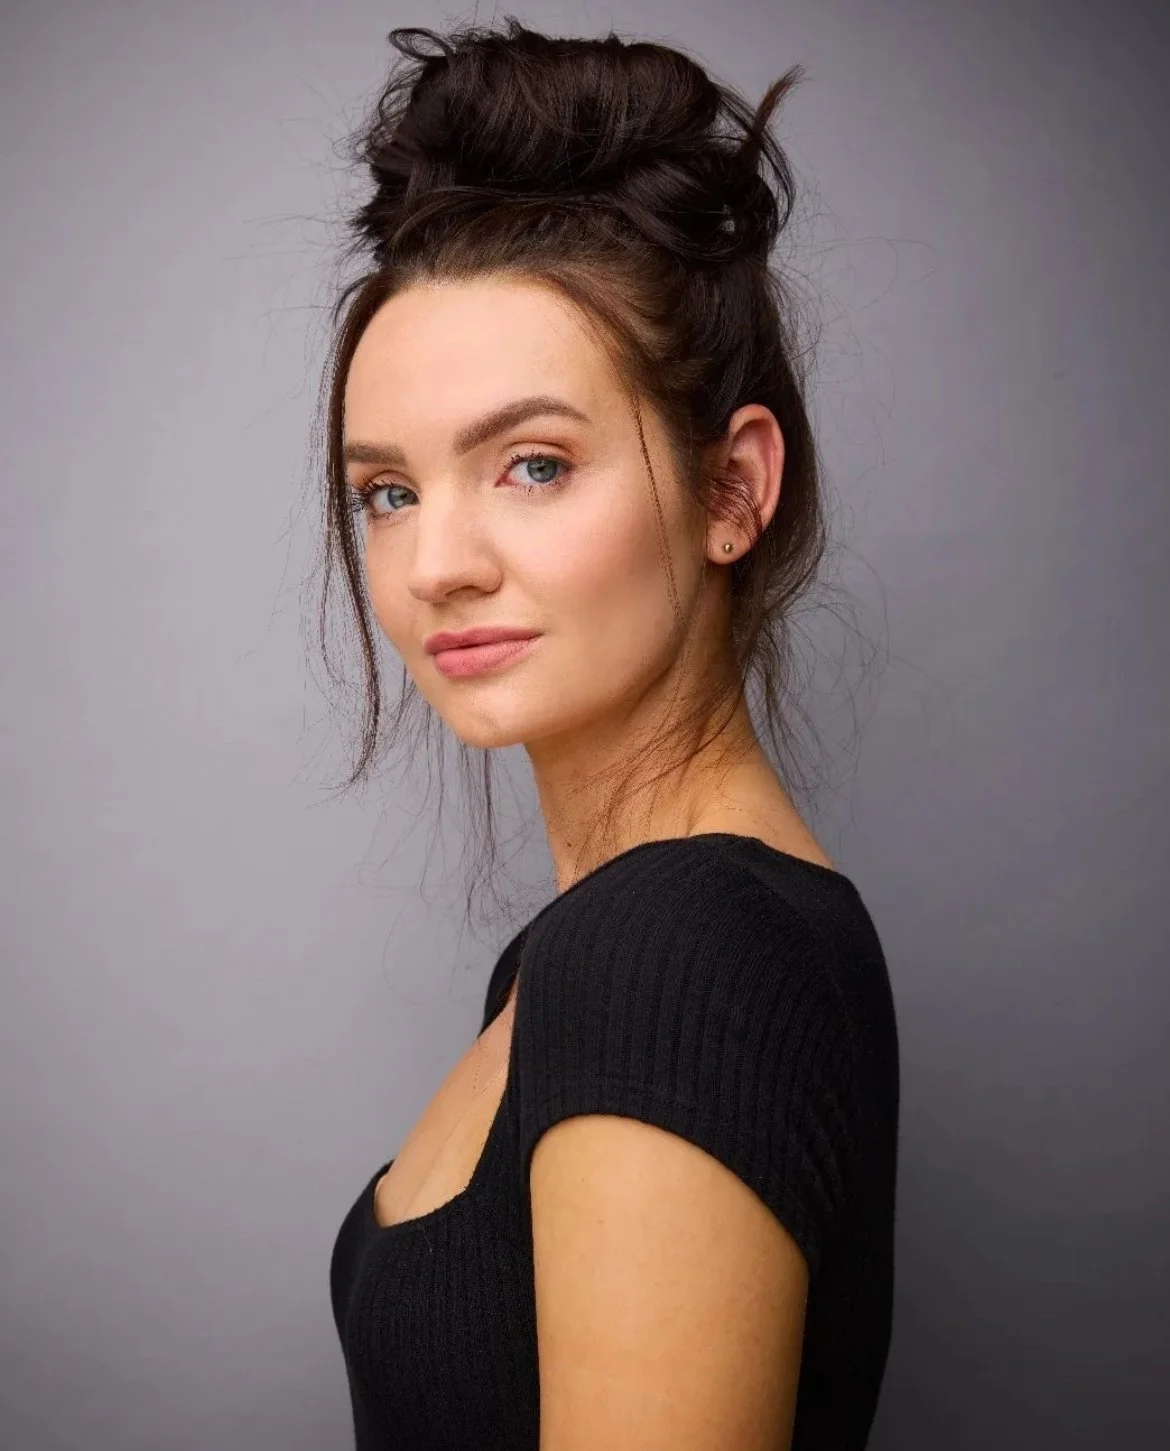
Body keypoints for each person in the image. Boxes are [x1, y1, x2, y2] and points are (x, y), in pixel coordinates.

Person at [325, 18, 899, 1450]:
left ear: (731, 489)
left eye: (532, 464)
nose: (434, 560)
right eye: (386, 489)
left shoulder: (673, 949)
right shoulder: (587, 949)